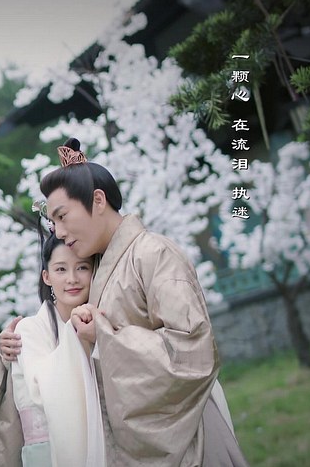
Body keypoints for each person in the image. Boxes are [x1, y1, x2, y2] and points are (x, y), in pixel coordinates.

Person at [39, 137, 247, 466]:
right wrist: (17, 338)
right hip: (138, 442)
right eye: (53, 222)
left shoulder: (153, 253)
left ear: (97, 200)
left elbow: (193, 353)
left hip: (188, 439)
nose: (59, 232)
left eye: (63, 217)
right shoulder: (100, 266)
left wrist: (104, 336)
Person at [0, 231, 105, 466]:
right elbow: (41, 388)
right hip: (46, 453)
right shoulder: (29, 330)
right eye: (61, 269)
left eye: (82, 267)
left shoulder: (101, 323)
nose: (72, 278)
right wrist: (76, 336)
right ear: (47, 276)